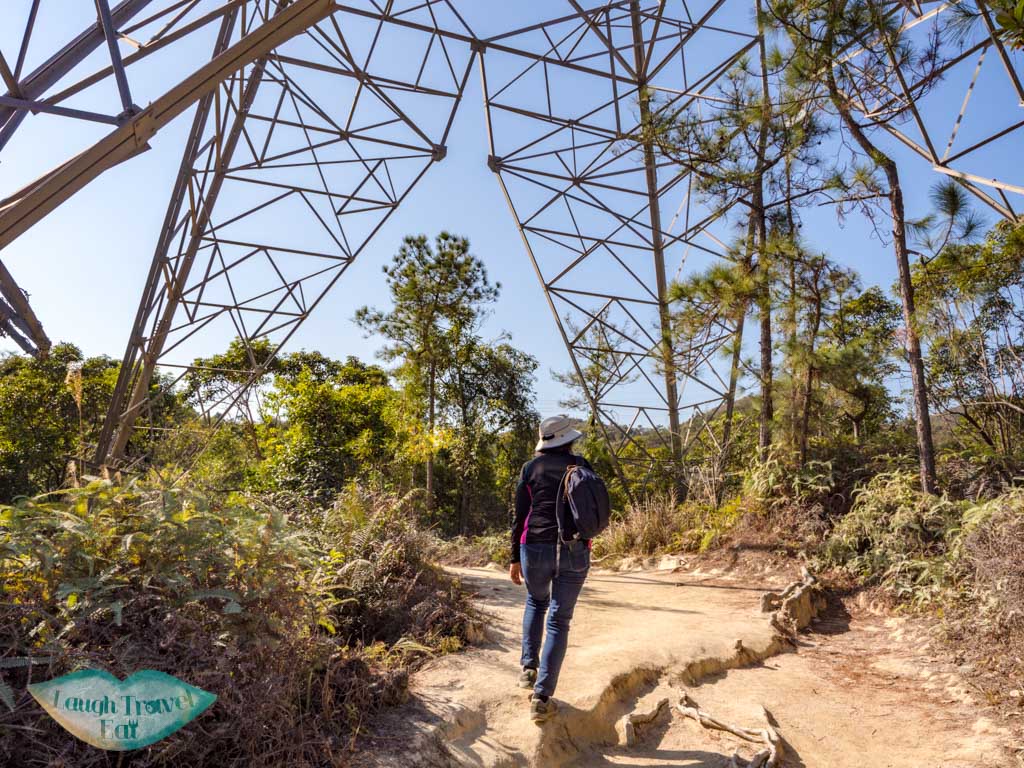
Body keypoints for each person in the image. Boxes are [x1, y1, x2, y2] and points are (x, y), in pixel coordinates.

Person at [509, 414, 593, 723]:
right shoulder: (581, 466)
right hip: (575, 551)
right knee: (559, 621)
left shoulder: (530, 469)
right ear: (568, 440)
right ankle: (542, 698)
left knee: (536, 601)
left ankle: (528, 669)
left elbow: (519, 517)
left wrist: (513, 558)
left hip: (534, 549)